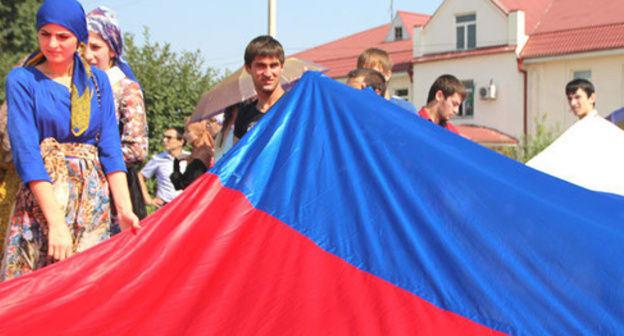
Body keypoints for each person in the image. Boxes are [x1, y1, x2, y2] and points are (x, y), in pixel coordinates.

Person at [1, 0, 139, 281]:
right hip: (42, 201)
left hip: (91, 201)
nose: (52, 44)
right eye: (45, 34)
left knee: (86, 290)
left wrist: (124, 210)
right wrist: (56, 223)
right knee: (33, 290)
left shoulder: (98, 81)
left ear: (79, 38)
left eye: (63, 36)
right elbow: (27, 153)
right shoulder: (22, 80)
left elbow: (111, 150)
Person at [86, 6, 149, 222]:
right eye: (83, 46)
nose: (88, 55)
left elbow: (137, 148)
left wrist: (87, 161)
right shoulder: (73, 86)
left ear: (112, 50)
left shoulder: (125, 88)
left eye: (96, 47)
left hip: (114, 193)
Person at [233, 35, 285, 142]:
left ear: (282, 67)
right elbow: (238, 156)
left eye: (273, 65)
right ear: (248, 68)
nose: (268, 73)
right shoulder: (244, 115)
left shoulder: (295, 106)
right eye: (261, 66)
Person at [138, 127, 189, 209]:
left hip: (186, 206)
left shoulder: (190, 158)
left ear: (181, 141)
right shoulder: (158, 159)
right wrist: (148, 200)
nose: (165, 140)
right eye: (164, 137)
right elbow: (140, 176)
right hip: (164, 207)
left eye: (169, 138)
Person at [357, 47, 419, 113]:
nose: (367, 78)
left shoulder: (405, 109)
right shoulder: (357, 109)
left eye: (372, 73)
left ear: (387, 75)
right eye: (363, 73)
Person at [170, 118, 216, 190]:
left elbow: (185, 185)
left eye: (188, 131)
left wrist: (176, 163)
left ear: (197, 133)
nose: (184, 135)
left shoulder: (202, 155)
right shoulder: (198, 152)